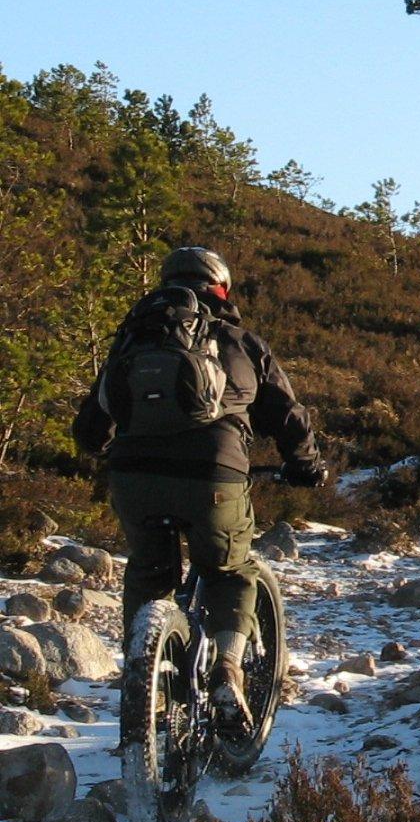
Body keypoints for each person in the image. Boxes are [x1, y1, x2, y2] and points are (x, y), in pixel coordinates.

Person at [73, 246, 326, 738]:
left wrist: (118, 447)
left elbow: (90, 429)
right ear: (222, 289)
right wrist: (307, 466)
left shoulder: (132, 341)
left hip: (134, 479)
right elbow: (288, 416)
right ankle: (228, 669)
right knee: (231, 570)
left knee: (149, 572)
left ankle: (147, 689)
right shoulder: (241, 341)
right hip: (214, 476)